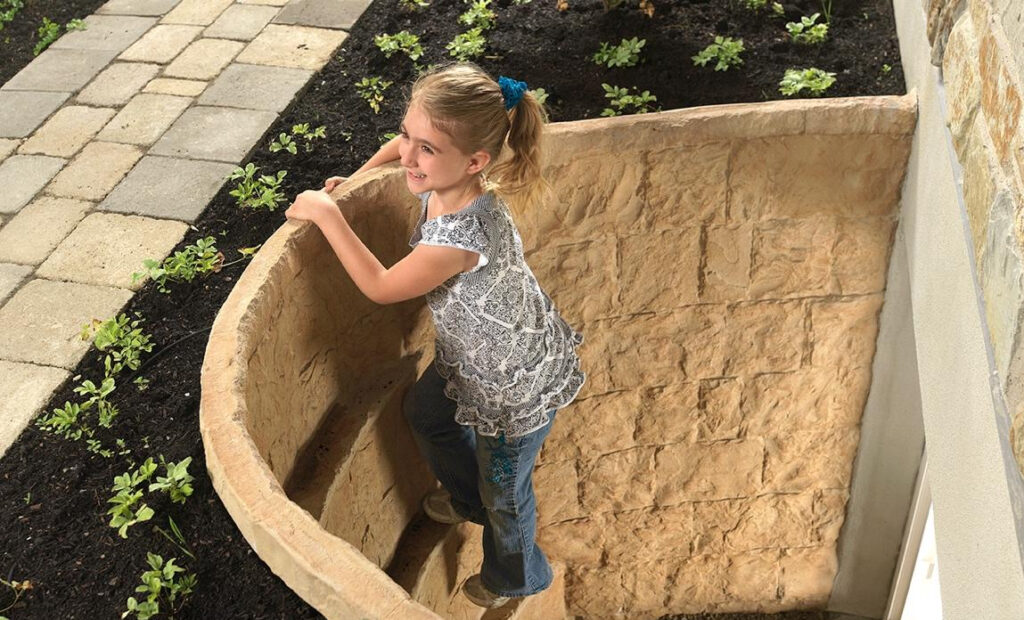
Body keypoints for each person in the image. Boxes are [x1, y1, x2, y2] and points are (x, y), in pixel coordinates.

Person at [284, 63, 584, 609]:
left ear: (475, 162)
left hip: (511, 386)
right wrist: (350, 185)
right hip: (470, 358)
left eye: (426, 149)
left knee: (506, 493)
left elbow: (381, 286)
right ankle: (469, 500)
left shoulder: (461, 237)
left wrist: (330, 216)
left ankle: (518, 574)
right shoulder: (447, 181)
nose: (407, 156)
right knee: (426, 416)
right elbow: (395, 153)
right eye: (407, 136)